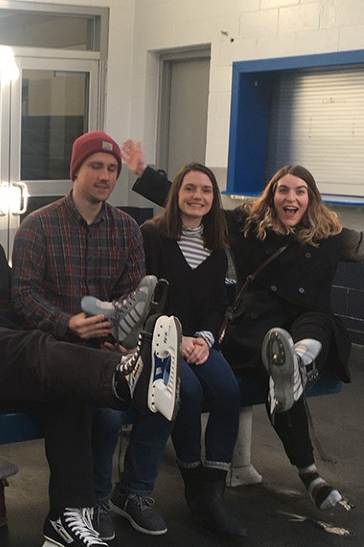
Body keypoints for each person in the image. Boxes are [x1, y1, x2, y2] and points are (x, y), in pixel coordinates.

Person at [0, 168, 181, 547]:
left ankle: (67, 517)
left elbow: (19, 302)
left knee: (66, 391)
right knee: (32, 348)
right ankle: (126, 379)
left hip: (4, 350)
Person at [127, 140, 364, 511]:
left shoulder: (333, 234)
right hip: (258, 332)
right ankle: (308, 469)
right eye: (283, 190)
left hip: (308, 330)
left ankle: (296, 364)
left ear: (311, 198)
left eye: (300, 192)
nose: (291, 198)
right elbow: (197, 201)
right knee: (275, 363)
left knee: (311, 329)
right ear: (271, 197)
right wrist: (144, 172)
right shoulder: (248, 225)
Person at [10, 130, 176, 541]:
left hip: (113, 347)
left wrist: (124, 334)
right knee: (105, 412)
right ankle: (96, 500)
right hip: (60, 351)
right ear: (76, 170)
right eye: (95, 167)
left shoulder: (127, 229)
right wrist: (67, 323)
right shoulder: (37, 227)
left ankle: (134, 492)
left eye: (112, 169)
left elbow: (134, 293)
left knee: (171, 390)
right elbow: (24, 295)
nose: (105, 176)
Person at [138, 162, 246, 536]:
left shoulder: (217, 247)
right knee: (190, 390)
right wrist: (175, 339)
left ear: (214, 199)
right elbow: (144, 300)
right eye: (189, 189)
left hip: (198, 341)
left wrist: (204, 339)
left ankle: (212, 495)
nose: (197, 196)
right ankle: (192, 482)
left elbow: (218, 304)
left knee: (229, 391)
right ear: (176, 193)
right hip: (159, 341)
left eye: (206, 190)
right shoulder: (150, 236)